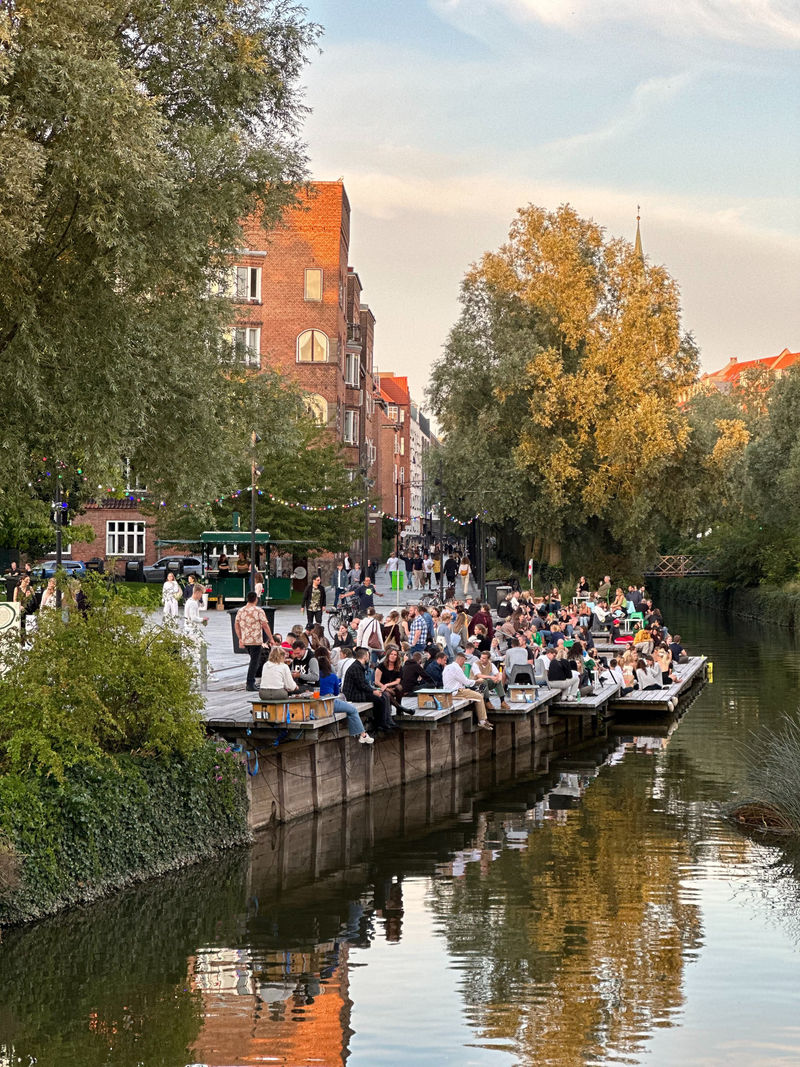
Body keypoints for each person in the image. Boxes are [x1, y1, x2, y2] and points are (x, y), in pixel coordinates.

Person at [316, 651, 374, 744]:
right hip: (329, 702)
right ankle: (363, 735)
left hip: (316, 703)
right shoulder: (332, 676)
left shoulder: (316, 677)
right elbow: (336, 693)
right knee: (352, 710)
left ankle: (362, 734)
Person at [343, 647, 396, 734]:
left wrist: (374, 689)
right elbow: (361, 685)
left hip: (358, 691)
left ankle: (387, 720)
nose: (369, 658)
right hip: (353, 695)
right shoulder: (356, 667)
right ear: (364, 657)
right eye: (368, 656)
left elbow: (364, 684)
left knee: (384, 695)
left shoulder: (359, 666)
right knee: (379, 699)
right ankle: (381, 723)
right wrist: (373, 691)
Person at [442, 651, 493, 730]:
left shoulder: (448, 667)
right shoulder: (457, 668)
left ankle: (482, 718)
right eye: (464, 662)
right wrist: (477, 681)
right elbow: (467, 682)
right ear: (461, 660)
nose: (464, 663)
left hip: (448, 692)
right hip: (457, 691)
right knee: (479, 696)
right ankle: (482, 721)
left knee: (476, 693)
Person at [235, 591, 273, 692]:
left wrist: (240, 638)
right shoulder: (258, 611)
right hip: (255, 640)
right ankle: (250, 682)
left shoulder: (241, 611)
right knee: (254, 662)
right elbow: (265, 625)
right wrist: (271, 638)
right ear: (256, 599)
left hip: (245, 639)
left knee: (253, 660)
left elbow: (237, 625)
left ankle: (251, 681)